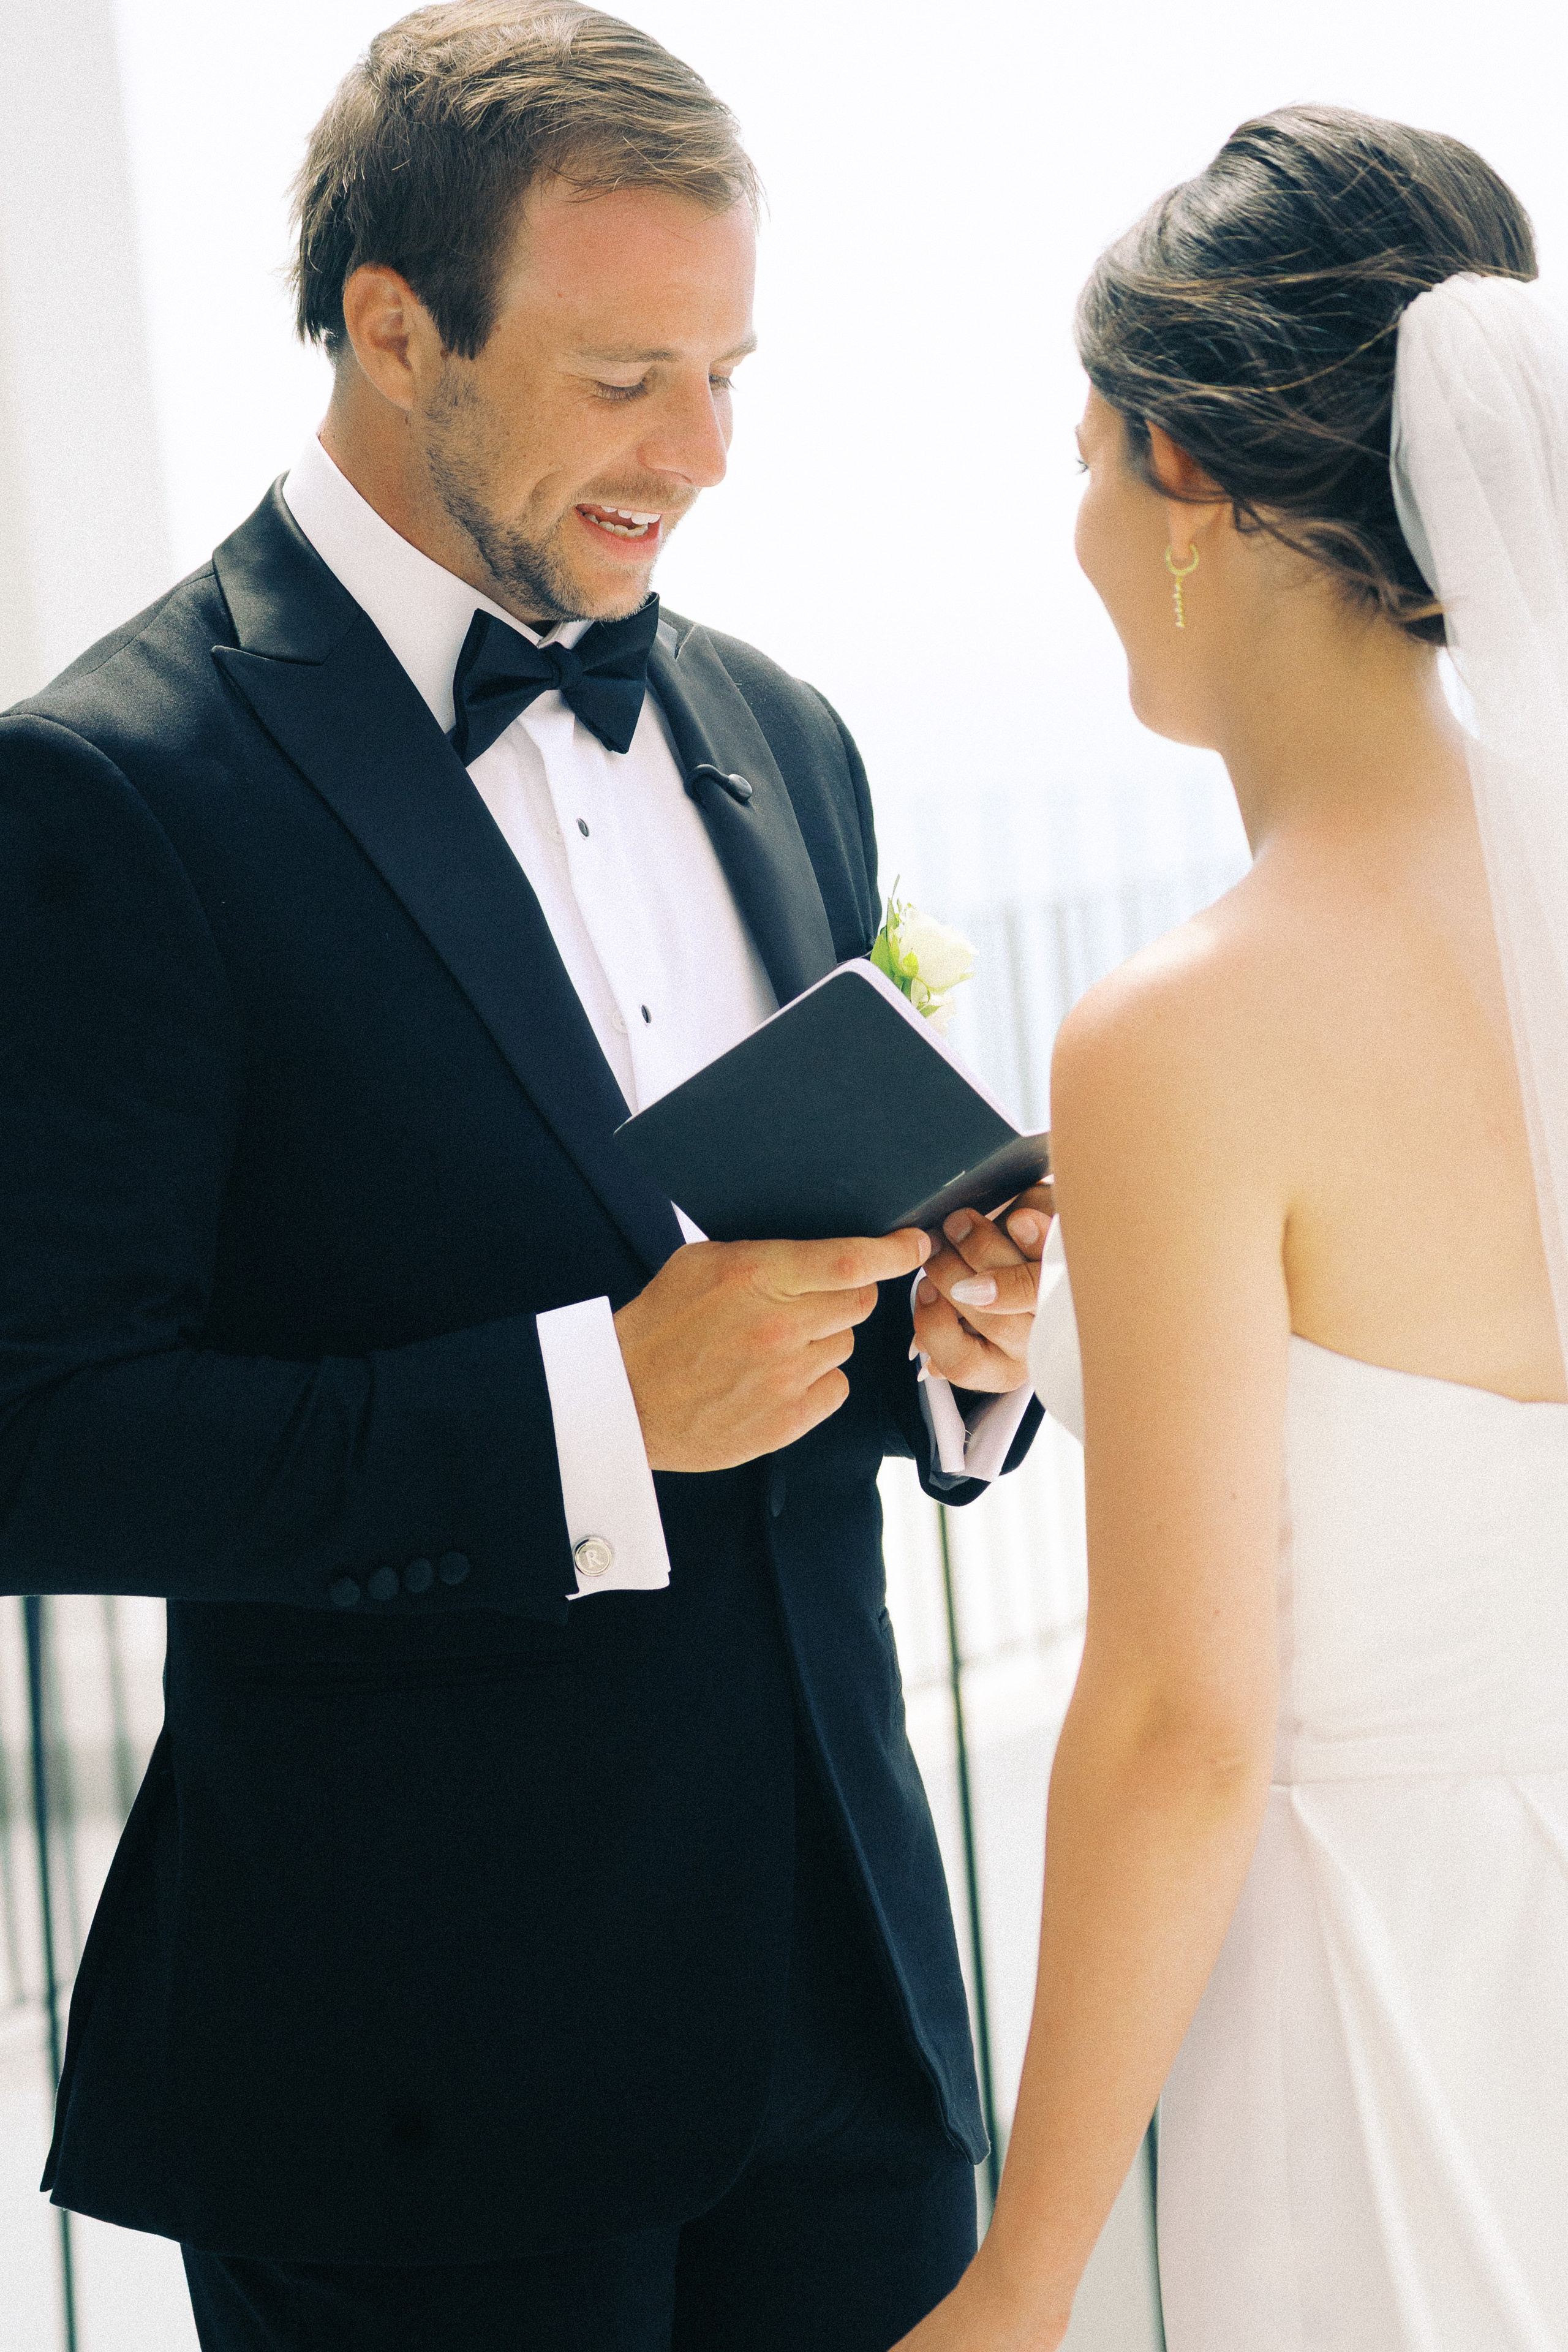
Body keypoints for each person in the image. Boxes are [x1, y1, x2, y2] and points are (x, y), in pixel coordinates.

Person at [0, 7, 1050, 2346]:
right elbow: (34, 1441)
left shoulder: (784, 734)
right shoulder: (110, 787)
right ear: (393, 327)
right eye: (620, 380)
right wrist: (593, 1412)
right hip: (418, 2091)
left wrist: (955, 1359)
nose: (699, 453)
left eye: (729, 370)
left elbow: (794, 1329)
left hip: (846, 2028)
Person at [895, 106, 1568, 2352]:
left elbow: (1188, 1719)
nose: (1076, 525)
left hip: (1370, 2004)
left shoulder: (1191, 1027)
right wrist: (1078, 1346)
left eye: (1087, 454)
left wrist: (1021, 2277)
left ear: (1186, 482)